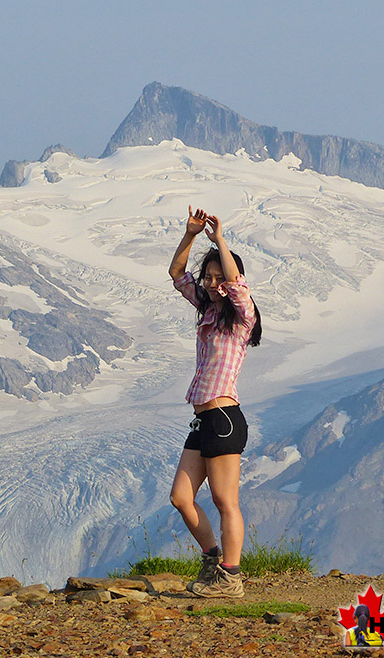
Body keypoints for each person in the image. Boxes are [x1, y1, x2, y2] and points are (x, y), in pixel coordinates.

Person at [167, 206, 262, 598]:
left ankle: (232, 578)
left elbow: (238, 285)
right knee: (180, 498)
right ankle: (212, 560)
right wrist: (190, 235)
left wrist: (219, 240)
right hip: (203, 420)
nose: (210, 283)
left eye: (216, 277)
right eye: (207, 277)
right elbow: (177, 275)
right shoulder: (206, 311)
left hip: (224, 416)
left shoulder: (242, 319)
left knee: (225, 500)